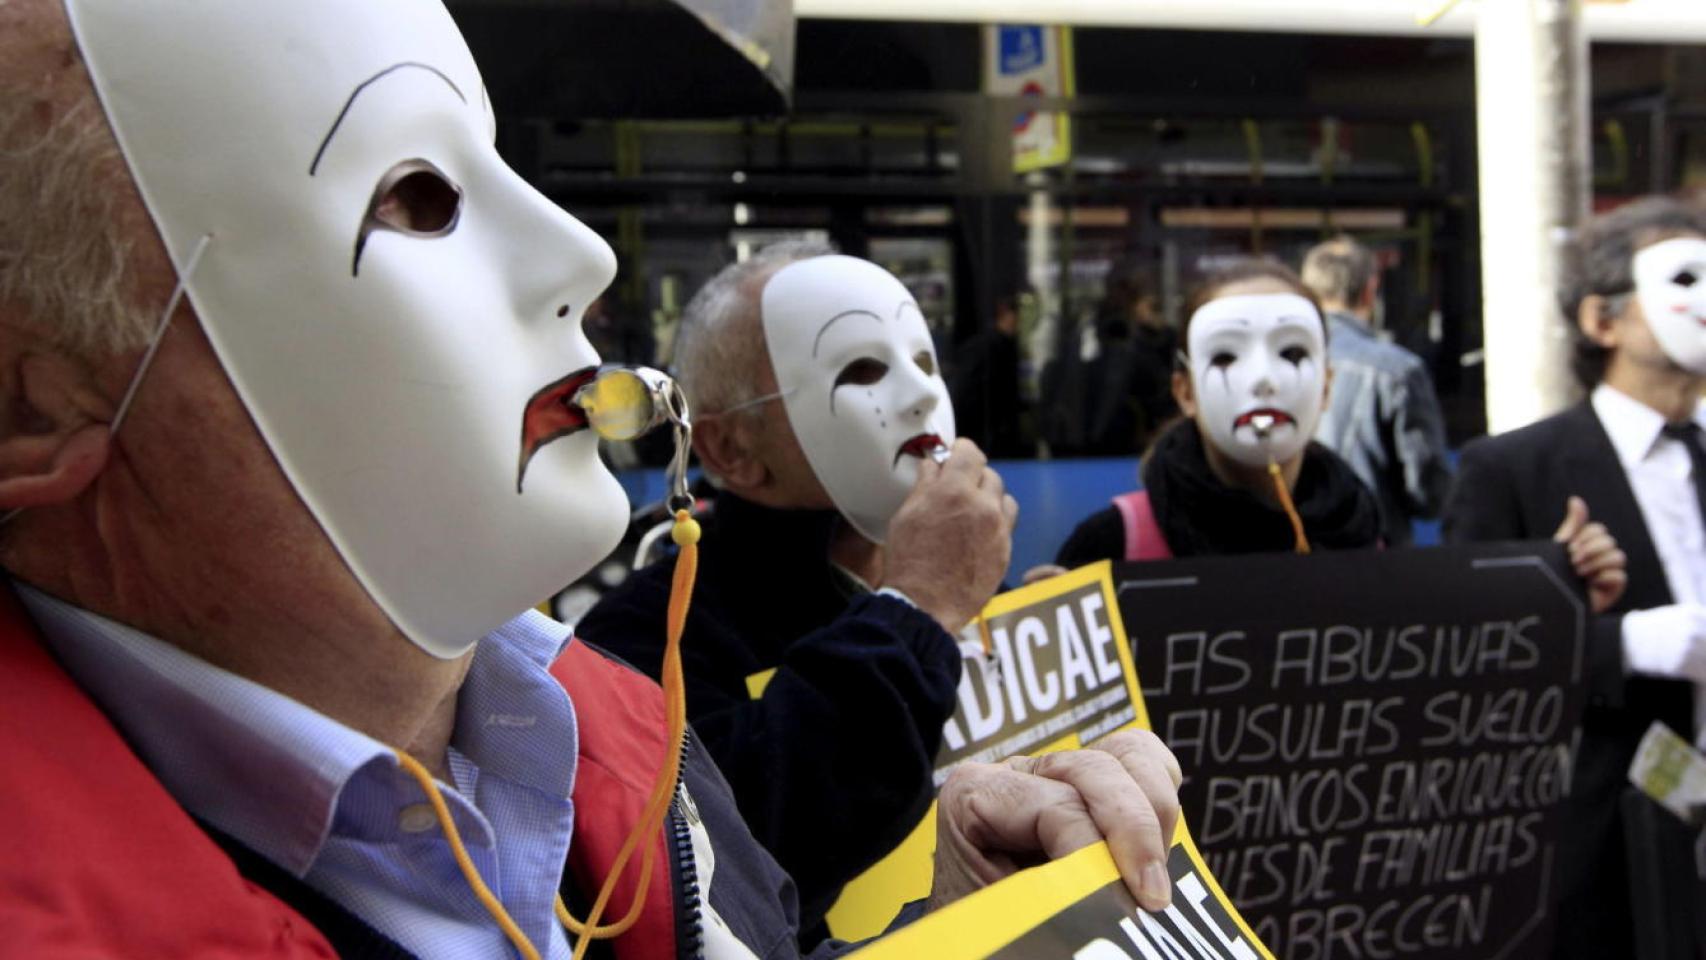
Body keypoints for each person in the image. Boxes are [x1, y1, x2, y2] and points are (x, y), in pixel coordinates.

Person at [0, 3, 1185, 958]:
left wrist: (967, 915)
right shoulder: (644, 658)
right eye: (415, 198)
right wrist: (911, 620)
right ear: (31, 407)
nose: (582, 253)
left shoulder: (600, 727)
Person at [578, 246, 1013, 943]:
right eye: (863, 370)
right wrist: (919, 610)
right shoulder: (643, 642)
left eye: (924, 360)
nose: (921, 396)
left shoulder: (967, 581)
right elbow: (746, 857)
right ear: (731, 450)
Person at [1443, 195, 1706, 960]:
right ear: (1602, 319)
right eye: (1685, 279)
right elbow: (1469, 657)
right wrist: (1625, 643)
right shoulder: (1513, 470)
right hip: (1606, 849)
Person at [1056, 259, 1384, 565]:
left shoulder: (1361, 533)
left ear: (1326, 386)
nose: (1263, 380)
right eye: (1225, 357)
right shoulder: (1108, 545)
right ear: (1186, 392)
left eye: (1292, 353)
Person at [1301, 236, 1452, 545]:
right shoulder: (1397, 370)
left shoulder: (1278, 365)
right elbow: (1428, 493)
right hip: (1375, 553)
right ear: (1371, 290)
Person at [948, 290, 1026, 458]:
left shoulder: (1004, 345)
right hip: (982, 426)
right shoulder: (986, 346)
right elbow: (967, 389)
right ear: (1005, 314)